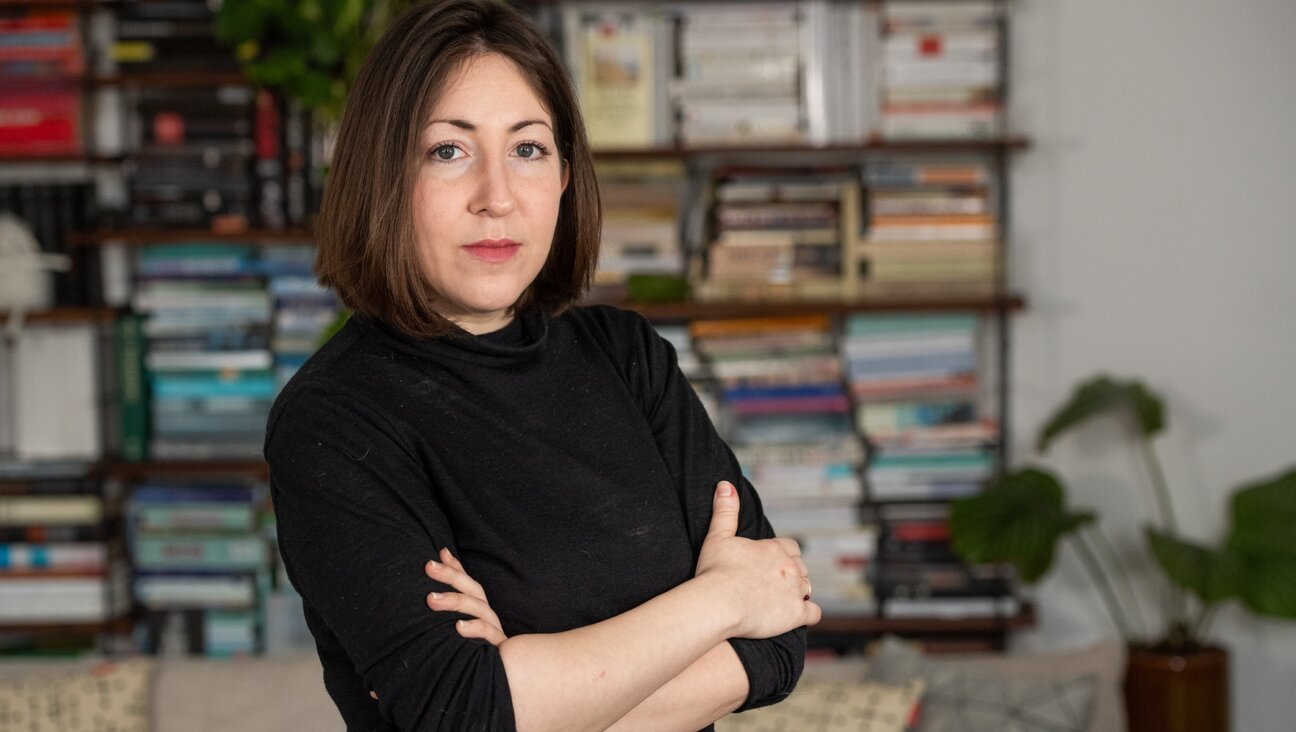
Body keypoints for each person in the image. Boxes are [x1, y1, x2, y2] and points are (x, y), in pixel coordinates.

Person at [263, 1, 820, 730]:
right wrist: (721, 600)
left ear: (564, 173)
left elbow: (779, 638)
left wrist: (533, 693)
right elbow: (461, 709)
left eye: (527, 149)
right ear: (384, 178)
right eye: (448, 151)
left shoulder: (628, 358)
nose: (497, 199)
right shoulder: (331, 421)